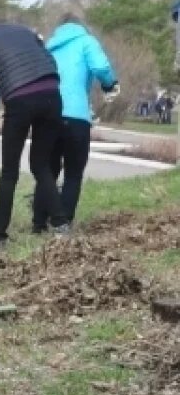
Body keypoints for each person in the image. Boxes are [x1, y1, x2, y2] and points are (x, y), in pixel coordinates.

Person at [0, 1, 68, 250]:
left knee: (9, 171)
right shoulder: (23, 31)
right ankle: (61, 225)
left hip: (20, 100)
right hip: (52, 93)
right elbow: (48, 62)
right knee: (41, 165)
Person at [31, 14, 117, 233]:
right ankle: (63, 223)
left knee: (46, 170)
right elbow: (101, 66)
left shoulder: (49, 46)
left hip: (48, 113)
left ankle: (39, 223)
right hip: (76, 115)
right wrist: (109, 84)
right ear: (81, 27)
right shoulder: (87, 41)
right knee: (73, 172)